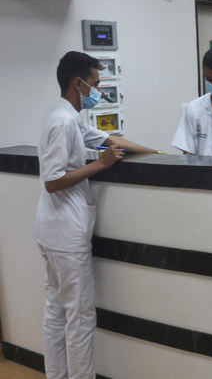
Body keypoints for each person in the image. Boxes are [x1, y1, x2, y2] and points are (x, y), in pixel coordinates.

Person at [35, 51, 160, 379]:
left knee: (56, 313)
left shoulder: (67, 116)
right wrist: (99, 165)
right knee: (78, 318)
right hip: (64, 232)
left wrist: (158, 153)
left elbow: (110, 139)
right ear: (78, 83)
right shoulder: (62, 122)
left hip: (51, 231)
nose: (99, 91)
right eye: (95, 84)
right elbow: (52, 182)